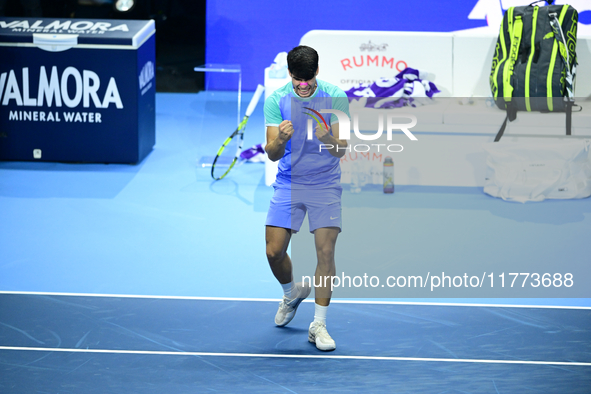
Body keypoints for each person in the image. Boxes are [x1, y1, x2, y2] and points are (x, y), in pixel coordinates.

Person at [264, 45, 350, 351]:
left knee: (325, 252)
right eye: (298, 81)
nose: (303, 86)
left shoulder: (335, 96)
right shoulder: (276, 100)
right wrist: (281, 140)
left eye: (308, 81)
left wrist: (328, 138)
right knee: (274, 252)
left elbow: (342, 149)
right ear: (290, 74)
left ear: (316, 72)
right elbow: (272, 155)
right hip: (288, 182)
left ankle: (319, 325)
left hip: (325, 184)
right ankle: (291, 293)